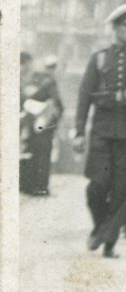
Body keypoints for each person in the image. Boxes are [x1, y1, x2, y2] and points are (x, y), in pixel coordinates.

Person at [73, 2, 126, 258]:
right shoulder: (99, 58)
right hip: (102, 130)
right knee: (96, 187)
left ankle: (109, 240)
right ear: (116, 28)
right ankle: (101, 227)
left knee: (123, 189)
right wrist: (79, 131)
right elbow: (84, 97)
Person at [20, 57, 63, 197]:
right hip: (44, 124)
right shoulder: (50, 82)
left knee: (30, 152)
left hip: (30, 122)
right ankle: (40, 187)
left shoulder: (31, 80)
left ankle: (27, 185)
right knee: (42, 156)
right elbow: (56, 102)